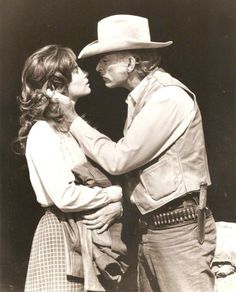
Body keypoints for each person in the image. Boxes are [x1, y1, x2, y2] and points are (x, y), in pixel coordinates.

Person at [55, 15, 217, 292]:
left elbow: (119, 159)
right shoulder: (144, 98)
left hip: (177, 233)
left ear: (131, 62)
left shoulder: (167, 97)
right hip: (155, 230)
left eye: (106, 59)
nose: (98, 67)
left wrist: (73, 120)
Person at [16, 44, 128, 292]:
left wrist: (115, 203)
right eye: (76, 70)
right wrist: (111, 195)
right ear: (55, 86)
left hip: (85, 232)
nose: (86, 73)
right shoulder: (43, 132)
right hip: (61, 235)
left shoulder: (72, 131)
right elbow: (65, 196)